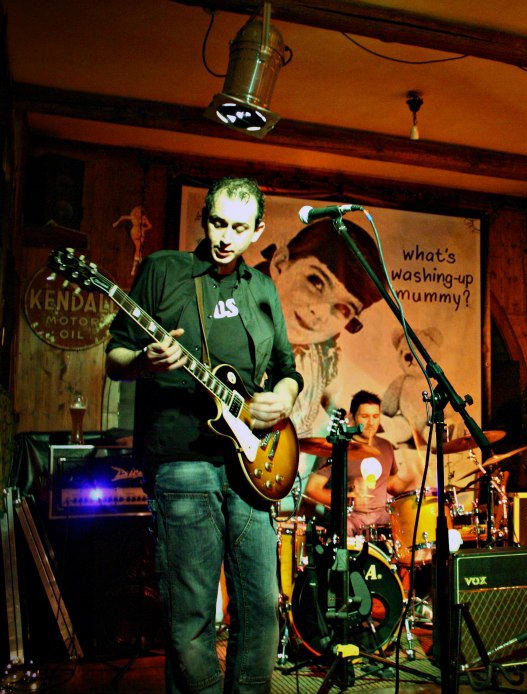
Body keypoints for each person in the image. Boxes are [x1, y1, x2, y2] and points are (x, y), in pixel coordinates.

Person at [106, 177, 303, 694]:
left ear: (258, 231)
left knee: (261, 610)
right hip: (183, 459)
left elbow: (288, 369)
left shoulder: (262, 288)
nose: (226, 237)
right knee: (191, 615)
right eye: (218, 223)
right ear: (204, 219)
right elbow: (115, 357)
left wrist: (284, 397)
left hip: (253, 465)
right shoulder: (163, 270)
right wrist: (144, 362)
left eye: (239, 228)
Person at [258, 218, 382, 439]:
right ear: (280, 263)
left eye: (344, 309)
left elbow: (341, 406)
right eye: (316, 282)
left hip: (288, 459)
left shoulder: (323, 357)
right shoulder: (234, 325)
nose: (321, 312)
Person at [304, 389, 399, 536]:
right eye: (365, 416)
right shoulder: (335, 447)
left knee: (404, 523)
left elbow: (391, 483)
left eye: (375, 416)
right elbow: (312, 489)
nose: (371, 423)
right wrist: (345, 499)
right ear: (352, 417)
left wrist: (412, 483)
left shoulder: (386, 446)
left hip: (381, 516)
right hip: (349, 516)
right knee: (344, 527)